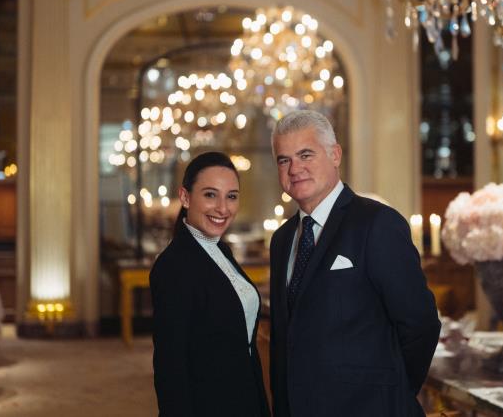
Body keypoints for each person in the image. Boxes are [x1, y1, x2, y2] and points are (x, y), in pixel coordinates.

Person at [269, 111, 441, 417]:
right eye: (284, 160)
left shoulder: (377, 223)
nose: (295, 168)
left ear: (335, 154)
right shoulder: (282, 240)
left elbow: (420, 324)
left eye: (305, 154)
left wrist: (392, 392)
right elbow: (286, 339)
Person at [150, 151, 269, 417]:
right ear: (184, 196)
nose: (223, 208)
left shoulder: (220, 250)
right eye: (210, 194)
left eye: (232, 196)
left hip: (245, 398)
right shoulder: (172, 267)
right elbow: (171, 367)